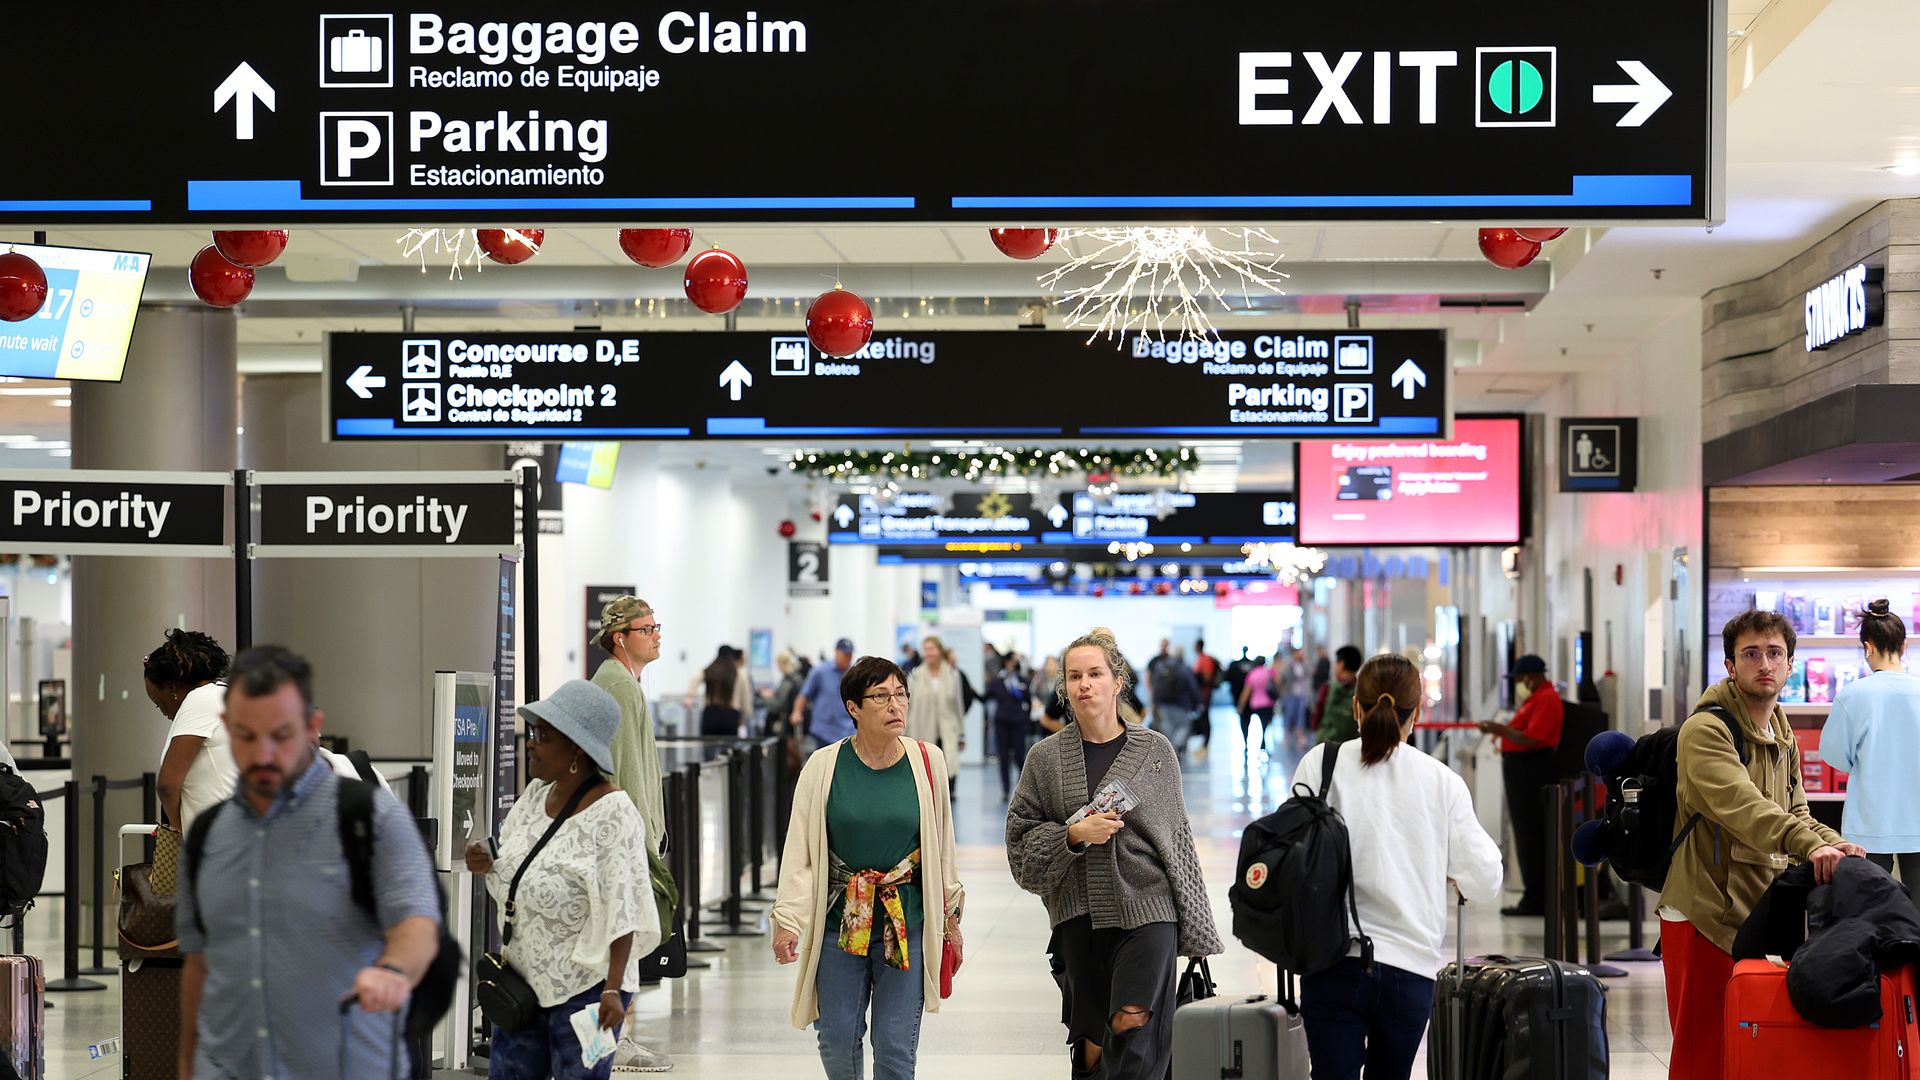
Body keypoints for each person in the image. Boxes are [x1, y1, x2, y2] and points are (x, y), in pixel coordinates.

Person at [175, 646, 442, 1080]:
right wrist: (188, 1063)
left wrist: (393, 971)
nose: (263, 754)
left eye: (280, 735)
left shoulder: (369, 818)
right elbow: (199, 964)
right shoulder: (207, 836)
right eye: (246, 735)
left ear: (312, 726)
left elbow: (417, 924)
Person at [1007, 627, 1223, 1080]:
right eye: (1074, 676)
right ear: (1064, 687)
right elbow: (1020, 846)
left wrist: (1197, 928)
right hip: (1078, 915)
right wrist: (1073, 835)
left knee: (1133, 1019)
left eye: (1095, 674)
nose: (1085, 684)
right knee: (1092, 1045)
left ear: (1117, 681)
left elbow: (1176, 839)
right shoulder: (1044, 759)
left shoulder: (1156, 751)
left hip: (1149, 908)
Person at [1658, 611, 1861, 1080]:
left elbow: (1797, 811)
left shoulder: (1780, 730)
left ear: (1791, 664)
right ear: (1730, 665)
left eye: (1774, 654)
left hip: (1757, 910)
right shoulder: (1705, 731)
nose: (1763, 664)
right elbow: (1745, 808)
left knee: (1749, 1047)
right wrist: (1808, 845)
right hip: (1704, 911)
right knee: (1702, 1054)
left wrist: (1837, 844)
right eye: (1750, 654)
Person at [1290, 655, 1503, 1079]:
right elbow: (1485, 879)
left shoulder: (1322, 764)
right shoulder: (1441, 782)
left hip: (1332, 960)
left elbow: (1293, 851)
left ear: (1355, 707)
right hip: (1410, 971)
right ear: (1418, 713)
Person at [769, 656, 966, 1080]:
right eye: (881, 696)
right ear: (853, 708)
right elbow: (800, 853)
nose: (895, 705)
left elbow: (944, 848)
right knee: (837, 1038)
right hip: (841, 922)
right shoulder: (823, 767)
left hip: (906, 920)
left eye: (901, 694)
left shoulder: (927, 762)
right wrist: (787, 920)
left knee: (895, 1047)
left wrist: (951, 916)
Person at [466, 680, 661, 1080]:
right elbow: (515, 870)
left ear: (576, 748)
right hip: (521, 982)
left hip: (589, 989)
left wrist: (612, 990)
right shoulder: (534, 798)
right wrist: (488, 864)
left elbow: (623, 908)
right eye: (533, 733)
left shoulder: (614, 814)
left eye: (543, 736)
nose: (531, 743)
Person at [587, 595, 676, 1073]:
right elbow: (617, 769)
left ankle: (613, 1042)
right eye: (647, 628)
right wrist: (633, 835)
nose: (657, 634)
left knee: (626, 941)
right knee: (620, 943)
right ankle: (608, 1044)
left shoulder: (625, 683)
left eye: (656, 626)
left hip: (630, 834)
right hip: (622, 838)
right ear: (620, 638)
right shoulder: (618, 686)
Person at [1821, 599, 1920, 901]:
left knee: (1867, 912)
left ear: (1867, 647)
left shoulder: (1853, 696)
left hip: (1868, 822)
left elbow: (1833, 754)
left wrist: (1868, 764)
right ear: (1904, 646)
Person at [1475, 654, 1563, 917]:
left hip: (1532, 769)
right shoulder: (1535, 699)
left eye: (1521, 678)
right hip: (1521, 769)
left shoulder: (1547, 699)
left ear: (1532, 677)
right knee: (1525, 835)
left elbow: (1532, 739)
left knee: (1532, 833)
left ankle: (1537, 898)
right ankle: (1533, 894)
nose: (1519, 683)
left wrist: (1498, 730)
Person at [144, 629, 237, 834]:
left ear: (172, 689)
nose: (164, 712)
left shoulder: (199, 700)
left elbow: (167, 785)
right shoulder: (224, 694)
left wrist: (178, 829)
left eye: (159, 704)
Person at [906, 636, 966, 797]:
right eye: (925, 649)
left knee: (949, 764)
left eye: (931, 649)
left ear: (940, 650)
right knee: (927, 765)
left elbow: (958, 706)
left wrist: (961, 733)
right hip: (924, 727)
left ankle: (949, 793)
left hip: (948, 727)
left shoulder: (953, 675)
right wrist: (906, 732)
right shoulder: (915, 675)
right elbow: (909, 706)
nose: (928, 653)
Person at [793, 639, 857, 753]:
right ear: (836, 652)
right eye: (844, 654)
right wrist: (797, 712)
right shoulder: (820, 672)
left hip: (847, 732)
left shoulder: (854, 674)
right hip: (823, 732)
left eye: (850, 654)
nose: (847, 657)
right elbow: (804, 695)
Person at [988, 651, 1034, 799]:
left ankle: (1023, 788)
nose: (1013, 664)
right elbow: (986, 697)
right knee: (1003, 757)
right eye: (1011, 661)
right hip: (1002, 722)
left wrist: (1025, 718)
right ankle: (1005, 790)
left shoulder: (1021, 680)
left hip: (1018, 722)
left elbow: (1028, 701)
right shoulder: (997, 681)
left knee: (1020, 756)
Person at [688, 646, 744, 737]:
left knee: (709, 747)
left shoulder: (709, 670)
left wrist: (690, 696)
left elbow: (694, 680)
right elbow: (745, 698)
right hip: (731, 715)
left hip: (710, 714)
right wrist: (744, 718)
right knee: (729, 748)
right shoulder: (737, 672)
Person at [1314, 646, 1364, 746]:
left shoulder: (1328, 687)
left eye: (1336, 663)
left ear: (1341, 664)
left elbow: (1316, 717)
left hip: (1328, 746)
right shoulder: (1362, 689)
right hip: (1353, 746)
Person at [1235, 656, 1274, 755]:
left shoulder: (1252, 674)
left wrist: (1241, 706)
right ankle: (1263, 742)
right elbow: (1277, 684)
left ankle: (1249, 743)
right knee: (1264, 726)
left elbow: (1246, 692)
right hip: (1268, 704)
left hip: (1256, 704)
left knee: (1247, 723)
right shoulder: (1269, 672)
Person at [1279, 649, 1313, 749]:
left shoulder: (1304, 664)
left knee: (1300, 715)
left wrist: (1305, 662)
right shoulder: (1289, 664)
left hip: (1301, 694)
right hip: (1290, 694)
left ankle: (1300, 737)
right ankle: (1286, 736)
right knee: (1289, 714)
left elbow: (1309, 673)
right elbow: (1284, 677)